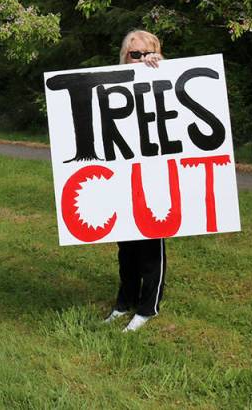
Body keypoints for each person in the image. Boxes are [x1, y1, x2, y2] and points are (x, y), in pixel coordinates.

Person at [105, 29, 165, 332]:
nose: (140, 59)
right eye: (134, 54)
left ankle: (147, 307)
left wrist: (161, 64)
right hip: (122, 176)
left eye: (146, 53)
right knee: (126, 247)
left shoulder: (164, 78)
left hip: (154, 175)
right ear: (124, 56)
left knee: (151, 243)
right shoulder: (110, 82)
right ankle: (124, 302)